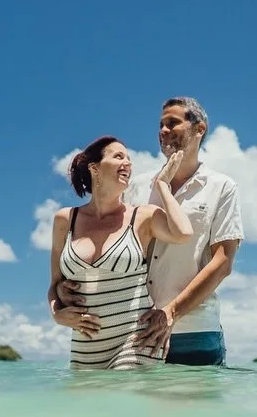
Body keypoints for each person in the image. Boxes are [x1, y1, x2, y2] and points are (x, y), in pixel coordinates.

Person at [58, 97, 244, 366]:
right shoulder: (136, 187)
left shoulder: (223, 187)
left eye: (173, 123)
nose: (164, 131)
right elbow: (111, 247)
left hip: (195, 329)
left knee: (199, 409)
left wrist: (171, 312)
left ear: (199, 129)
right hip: (133, 331)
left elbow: (223, 262)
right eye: (161, 125)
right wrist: (68, 290)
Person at [47, 135, 193, 370]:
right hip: (85, 347)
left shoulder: (142, 216)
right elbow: (55, 284)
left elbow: (183, 232)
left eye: (129, 158)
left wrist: (162, 184)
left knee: (122, 397)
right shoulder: (65, 219)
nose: (128, 163)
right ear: (94, 168)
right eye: (118, 156)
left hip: (136, 341)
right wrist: (56, 313)